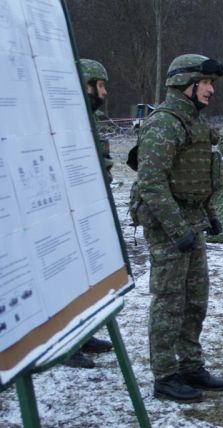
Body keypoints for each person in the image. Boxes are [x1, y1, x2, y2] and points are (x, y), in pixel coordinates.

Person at [135, 54, 223, 402]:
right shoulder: (164, 123)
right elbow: (152, 184)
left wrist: (209, 214)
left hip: (192, 222)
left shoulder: (194, 124)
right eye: (205, 83)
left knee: (195, 301)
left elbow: (197, 178)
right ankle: (165, 376)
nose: (210, 90)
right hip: (167, 227)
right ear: (184, 83)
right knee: (169, 303)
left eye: (211, 83)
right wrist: (178, 231)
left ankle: (190, 365)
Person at [63, 59, 114, 369]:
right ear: (84, 85)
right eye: (100, 86)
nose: (104, 93)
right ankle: (67, 343)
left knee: (87, 278)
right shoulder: (64, 119)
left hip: (91, 206)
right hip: (70, 210)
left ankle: (84, 333)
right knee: (68, 279)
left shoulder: (90, 119)